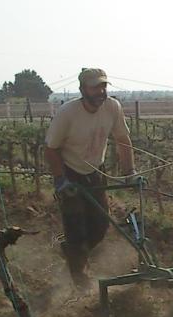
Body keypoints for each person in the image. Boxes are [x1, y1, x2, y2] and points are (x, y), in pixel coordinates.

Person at [45, 68, 137, 290]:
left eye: (103, 86)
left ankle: (73, 252)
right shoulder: (68, 113)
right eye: (95, 87)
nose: (101, 91)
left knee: (100, 226)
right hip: (70, 173)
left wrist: (129, 172)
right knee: (77, 229)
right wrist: (60, 179)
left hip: (95, 171)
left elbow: (123, 140)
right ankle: (81, 283)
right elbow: (50, 149)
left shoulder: (112, 107)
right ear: (82, 89)